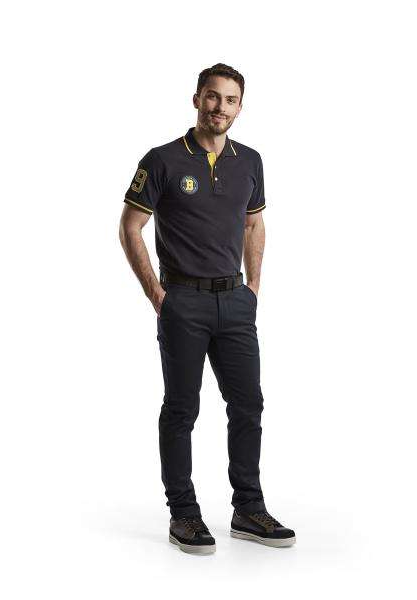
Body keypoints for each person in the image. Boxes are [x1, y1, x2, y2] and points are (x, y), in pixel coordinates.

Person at [119, 63, 295, 554]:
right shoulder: (162, 160)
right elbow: (130, 226)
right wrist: (157, 294)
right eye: (213, 97)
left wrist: (253, 287)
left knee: (248, 405)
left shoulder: (250, 161)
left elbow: (254, 224)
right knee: (181, 409)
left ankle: (249, 509)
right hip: (183, 302)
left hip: (235, 302)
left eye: (230, 100)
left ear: (240, 107)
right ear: (197, 99)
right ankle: (184, 514)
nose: (220, 107)